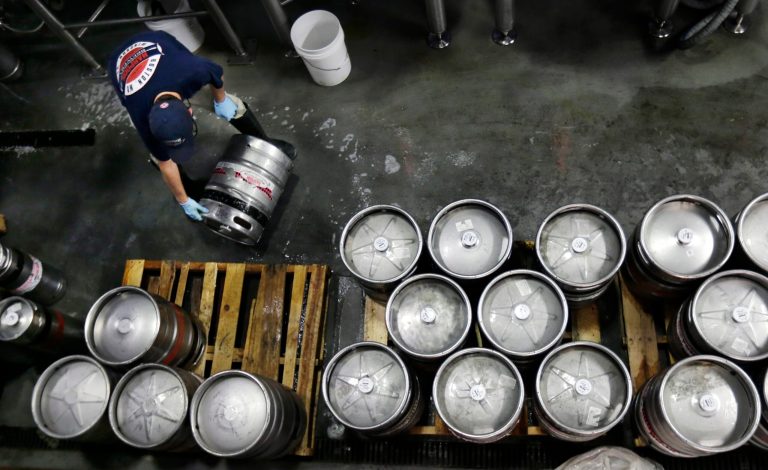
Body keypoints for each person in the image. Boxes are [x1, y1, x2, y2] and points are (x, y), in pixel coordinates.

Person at [108, 30, 295, 221]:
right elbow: (166, 164)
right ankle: (188, 188)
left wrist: (220, 99)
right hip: (117, 63)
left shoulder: (191, 71)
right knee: (159, 156)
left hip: (157, 41)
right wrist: (183, 200)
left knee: (234, 106)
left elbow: (215, 73)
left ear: (190, 111)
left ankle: (265, 142)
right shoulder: (141, 117)